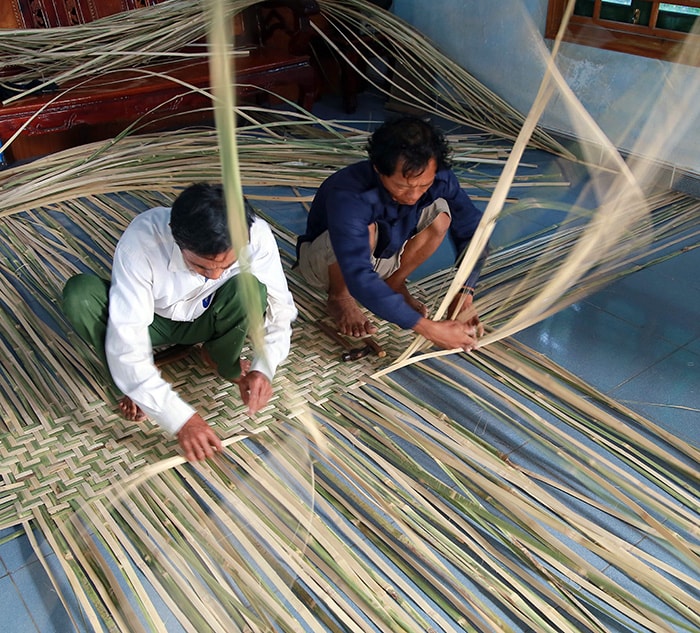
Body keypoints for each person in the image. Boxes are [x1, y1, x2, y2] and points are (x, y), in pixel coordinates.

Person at [62, 183, 297, 462]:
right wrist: (180, 419)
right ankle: (130, 386)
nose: (213, 276)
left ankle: (221, 357)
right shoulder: (142, 242)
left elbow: (280, 308)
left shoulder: (254, 235)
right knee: (80, 296)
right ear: (176, 236)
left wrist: (264, 367)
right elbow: (128, 335)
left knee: (251, 288)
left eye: (225, 266)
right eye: (201, 266)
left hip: (207, 315)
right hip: (153, 322)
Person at [296, 115, 487, 352]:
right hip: (329, 265)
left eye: (423, 186)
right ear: (378, 169)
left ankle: (393, 282)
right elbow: (359, 275)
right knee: (366, 227)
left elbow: (472, 230)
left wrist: (464, 292)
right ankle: (339, 297)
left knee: (441, 215)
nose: (413, 196)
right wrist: (428, 328)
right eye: (402, 186)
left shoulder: (437, 177)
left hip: (385, 256)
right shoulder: (349, 194)